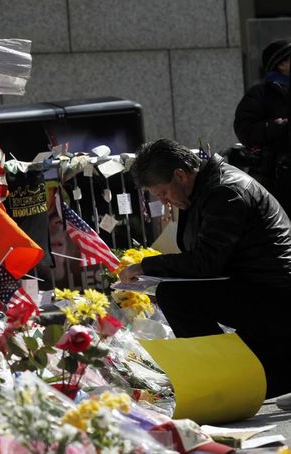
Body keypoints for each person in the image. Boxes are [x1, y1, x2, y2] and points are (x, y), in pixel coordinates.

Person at [119, 138, 291, 400]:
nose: (165, 202)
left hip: (273, 293)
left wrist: (147, 266)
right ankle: (231, 373)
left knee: (175, 296)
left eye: (163, 193)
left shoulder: (225, 191)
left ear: (180, 175)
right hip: (255, 285)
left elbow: (206, 262)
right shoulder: (205, 189)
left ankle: (220, 375)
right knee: (178, 292)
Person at [233, 38, 291, 213]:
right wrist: (278, 126)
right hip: (278, 181)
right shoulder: (260, 94)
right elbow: (245, 131)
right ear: (281, 64)